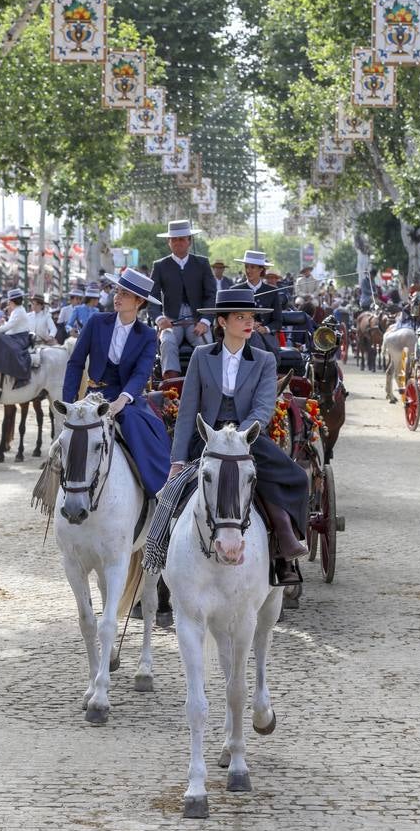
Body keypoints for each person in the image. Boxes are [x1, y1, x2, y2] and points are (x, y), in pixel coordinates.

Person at [162, 288, 308, 586]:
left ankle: (284, 547)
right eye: (240, 317)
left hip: (248, 438)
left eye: (251, 317)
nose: (248, 322)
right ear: (222, 322)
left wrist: (239, 438)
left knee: (297, 478)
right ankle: (160, 556)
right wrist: (177, 459)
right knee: (169, 490)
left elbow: (264, 407)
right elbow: (188, 410)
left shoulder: (266, 360)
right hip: (207, 438)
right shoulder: (202, 357)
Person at [62, 269, 170, 498]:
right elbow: (75, 363)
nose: (117, 297)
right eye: (117, 291)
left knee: (136, 424)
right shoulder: (96, 322)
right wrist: (69, 401)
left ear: (139, 302)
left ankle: (159, 492)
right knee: (68, 437)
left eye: (125, 294)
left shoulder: (148, 334)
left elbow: (141, 374)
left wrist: (122, 400)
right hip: (93, 395)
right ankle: (58, 491)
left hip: (126, 398)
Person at [149, 219, 217, 379]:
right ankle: (172, 386)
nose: (178, 242)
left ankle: (206, 384)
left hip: (197, 319)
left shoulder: (202, 263)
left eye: (182, 239)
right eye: (174, 239)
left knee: (205, 344)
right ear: (168, 242)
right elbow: (152, 297)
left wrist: (205, 321)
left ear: (189, 241)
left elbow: (211, 295)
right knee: (167, 342)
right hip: (171, 320)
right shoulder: (160, 266)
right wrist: (159, 319)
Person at [231, 250, 282, 357]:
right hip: (241, 335)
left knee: (258, 341)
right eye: (246, 267)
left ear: (261, 269)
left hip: (266, 336)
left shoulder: (272, 291)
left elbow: (278, 321)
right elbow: (230, 317)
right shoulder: (235, 290)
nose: (248, 271)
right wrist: (247, 325)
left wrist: (265, 329)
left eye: (252, 267)